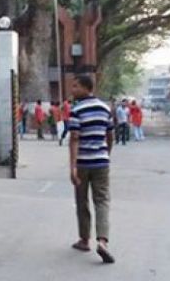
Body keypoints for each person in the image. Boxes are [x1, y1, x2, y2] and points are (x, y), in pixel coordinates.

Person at [67, 73, 115, 264]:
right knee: (102, 201)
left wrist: (72, 167)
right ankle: (102, 241)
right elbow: (110, 135)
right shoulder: (105, 109)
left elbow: (74, 139)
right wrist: (106, 153)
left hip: (83, 163)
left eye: (76, 86)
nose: (73, 90)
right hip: (101, 162)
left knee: (82, 200)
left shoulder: (77, 110)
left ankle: (84, 240)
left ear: (87, 88)